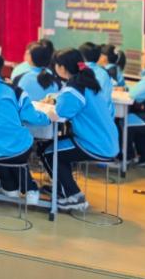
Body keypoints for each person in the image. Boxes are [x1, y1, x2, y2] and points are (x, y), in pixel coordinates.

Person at [43, 49, 119, 212]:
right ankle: (62, 188)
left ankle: (74, 196)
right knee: (51, 149)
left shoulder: (73, 89)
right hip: (106, 140)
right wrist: (57, 98)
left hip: (94, 143)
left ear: (62, 68)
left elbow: (60, 113)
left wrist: (53, 106)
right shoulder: (88, 83)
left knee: (49, 152)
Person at [0, 52, 50, 196]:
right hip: (20, 149)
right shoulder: (15, 91)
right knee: (14, 147)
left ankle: (9, 187)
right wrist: (48, 118)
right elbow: (31, 116)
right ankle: (30, 188)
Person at [80, 41, 114, 117]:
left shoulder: (78, 71)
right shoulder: (104, 73)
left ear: (82, 57)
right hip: (104, 116)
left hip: (87, 117)